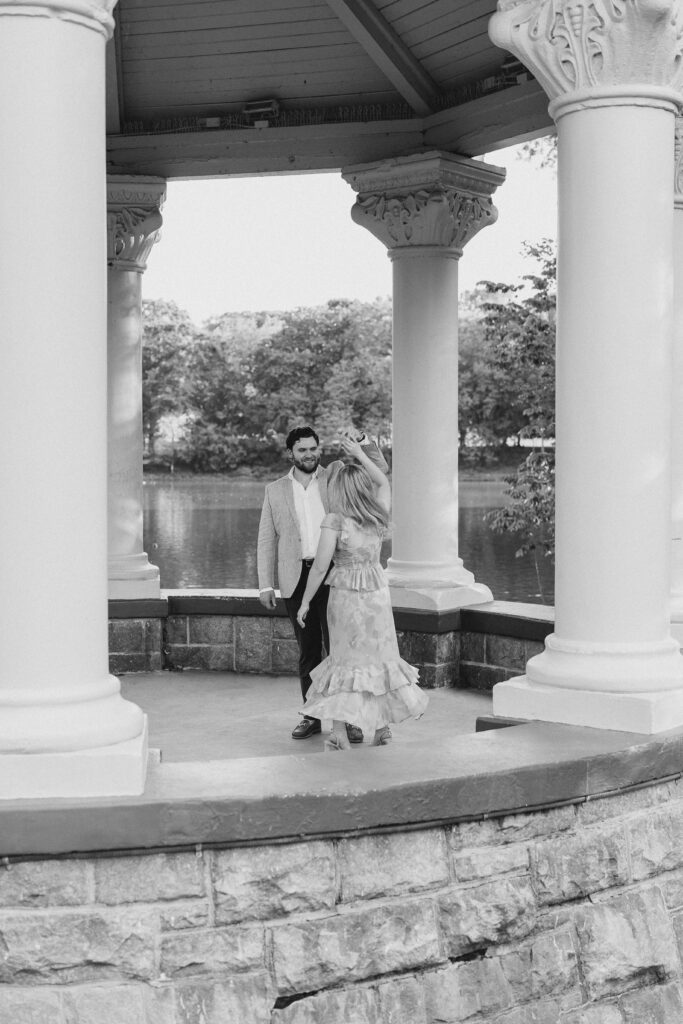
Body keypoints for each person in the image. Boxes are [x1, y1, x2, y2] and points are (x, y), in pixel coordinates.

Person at [296, 435, 428, 749]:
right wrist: (360, 454)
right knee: (380, 662)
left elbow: (319, 568)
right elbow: (383, 482)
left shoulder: (335, 522)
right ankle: (382, 730)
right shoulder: (377, 516)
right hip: (377, 598)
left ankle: (340, 734)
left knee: (345, 665)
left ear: (340, 490)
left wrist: (304, 602)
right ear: (362, 488)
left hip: (346, 600)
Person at [257, 425, 388, 741]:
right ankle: (312, 715)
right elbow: (265, 539)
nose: (309, 454)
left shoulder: (335, 474)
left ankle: (351, 718)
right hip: (295, 578)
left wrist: (362, 442)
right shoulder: (274, 490)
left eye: (313, 448)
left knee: (343, 651)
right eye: (302, 450)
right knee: (309, 651)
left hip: (335, 574)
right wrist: (265, 584)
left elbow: (380, 471)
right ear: (291, 453)